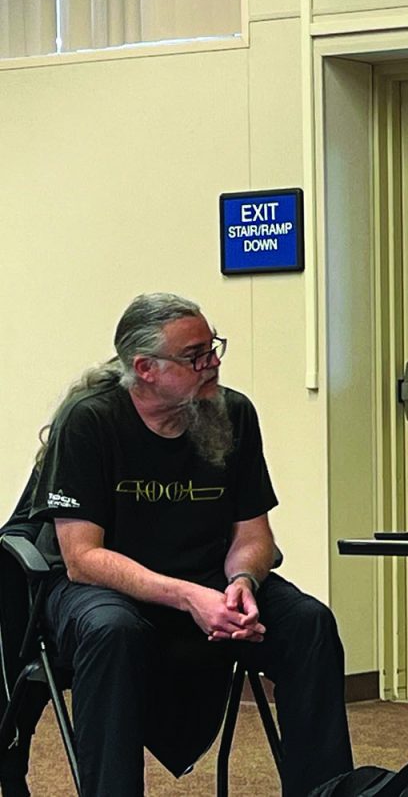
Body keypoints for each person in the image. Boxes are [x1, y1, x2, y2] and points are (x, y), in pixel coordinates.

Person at [8, 293, 353, 796]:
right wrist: (189, 596)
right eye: (195, 355)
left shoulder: (232, 412)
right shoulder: (89, 420)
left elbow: (253, 534)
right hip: (104, 587)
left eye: (213, 348)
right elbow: (82, 558)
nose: (212, 362)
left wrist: (241, 582)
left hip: (212, 579)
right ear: (145, 368)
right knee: (113, 630)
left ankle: (326, 790)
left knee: (308, 623)